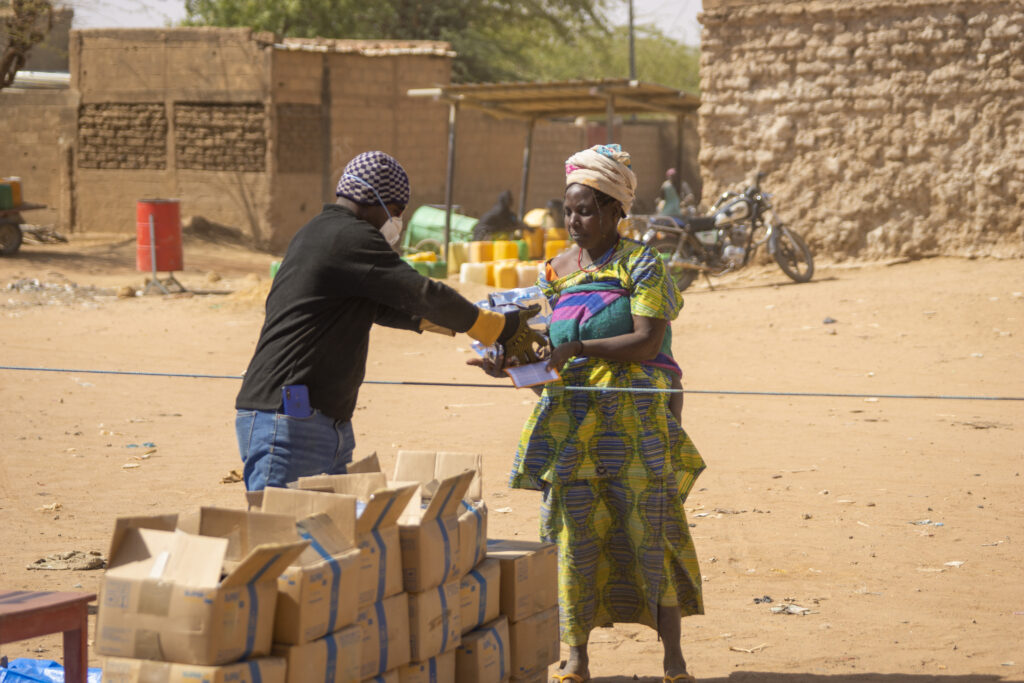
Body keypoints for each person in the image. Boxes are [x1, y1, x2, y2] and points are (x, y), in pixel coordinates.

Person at [471, 144, 705, 683]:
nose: (574, 222)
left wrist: (578, 349)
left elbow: (647, 342)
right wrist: (508, 364)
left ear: (616, 212)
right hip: (573, 425)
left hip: (639, 426)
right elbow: (544, 359)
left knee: (653, 533)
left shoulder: (643, 264)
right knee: (572, 537)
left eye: (587, 210)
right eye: (569, 210)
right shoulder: (555, 271)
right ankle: (575, 659)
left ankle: (673, 662)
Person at [235, 151, 532, 491]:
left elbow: (385, 306)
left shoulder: (318, 233)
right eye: (396, 211)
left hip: (316, 421)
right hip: (290, 421)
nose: (397, 221)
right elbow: (423, 293)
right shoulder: (351, 238)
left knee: (328, 538)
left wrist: (459, 322)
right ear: (373, 201)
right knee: (285, 537)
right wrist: (497, 328)